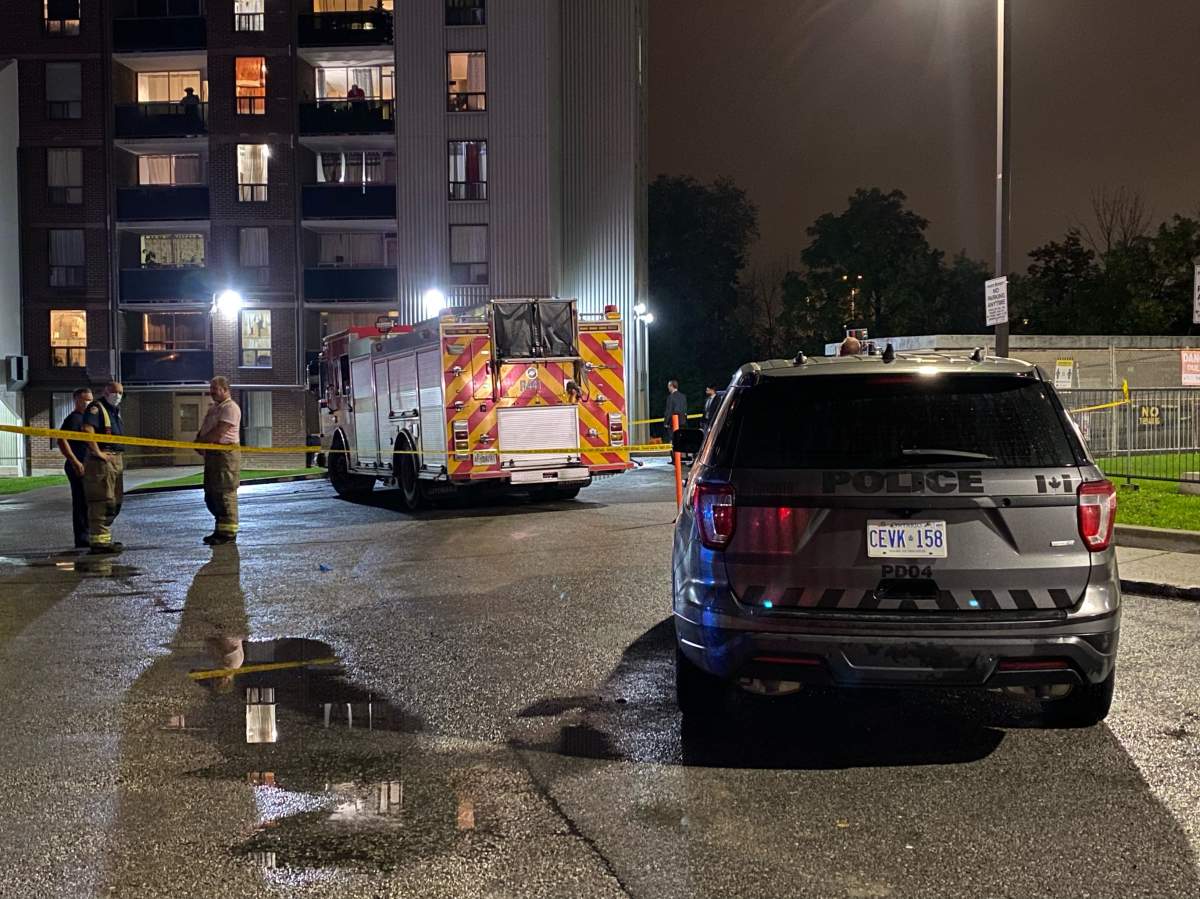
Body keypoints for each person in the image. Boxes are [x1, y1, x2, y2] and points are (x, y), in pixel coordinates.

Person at [80, 381, 126, 555]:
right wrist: (98, 452)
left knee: (114, 500)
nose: (118, 395)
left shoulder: (113, 411)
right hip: (102, 462)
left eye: (121, 392)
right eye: (115, 392)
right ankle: (99, 542)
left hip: (115, 459)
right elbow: (87, 430)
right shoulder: (96, 408)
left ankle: (104, 539)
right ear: (106, 391)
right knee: (102, 499)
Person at [196, 376, 242, 545]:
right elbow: (206, 428)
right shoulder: (215, 408)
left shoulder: (230, 408)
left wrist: (202, 443)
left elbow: (219, 431)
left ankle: (228, 533)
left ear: (225, 389)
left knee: (225, 493)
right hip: (213, 454)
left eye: (215, 389)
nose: (211, 392)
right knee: (212, 494)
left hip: (225, 455)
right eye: (211, 388)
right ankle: (219, 529)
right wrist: (198, 441)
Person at [57, 387, 93, 549]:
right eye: (84, 399)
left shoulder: (87, 420)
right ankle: (82, 539)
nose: (88, 402)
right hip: (77, 466)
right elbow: (61, 440)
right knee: (81, 502)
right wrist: (75, 462)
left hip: (88, 465)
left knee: (89, 503)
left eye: (90, 399)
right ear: (76, 400)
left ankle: (90, 535)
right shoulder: (73, 419)